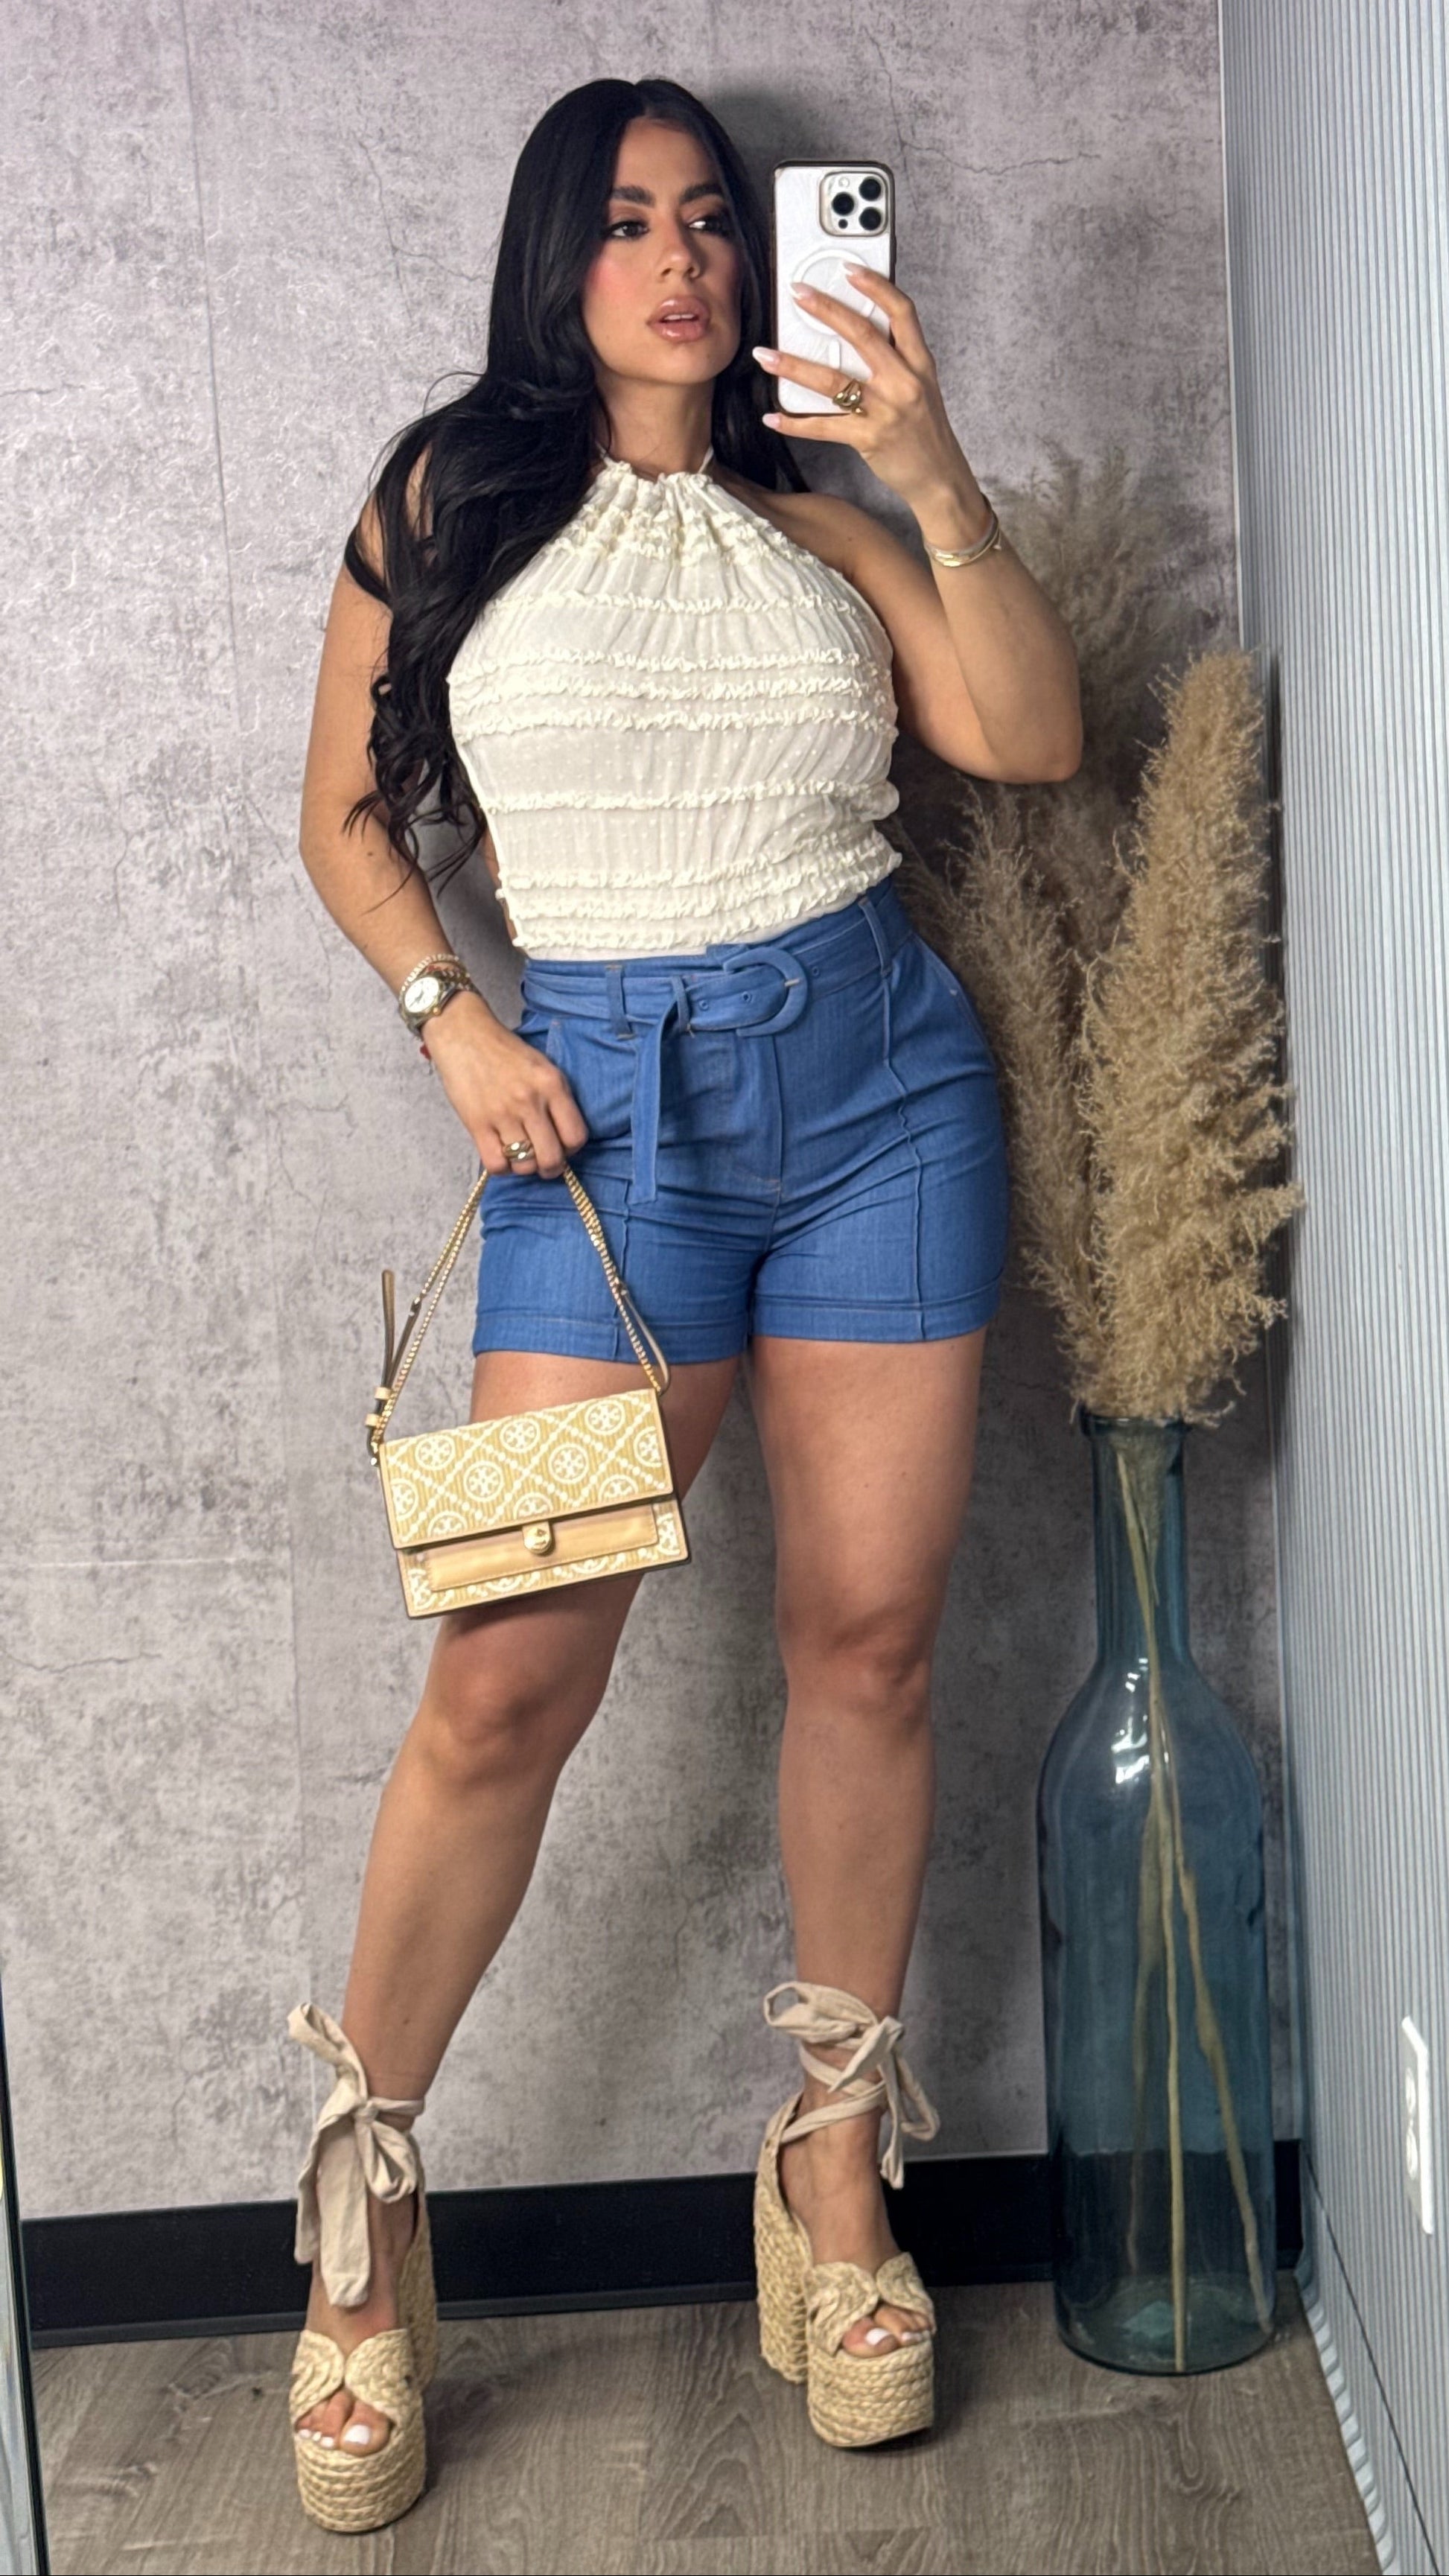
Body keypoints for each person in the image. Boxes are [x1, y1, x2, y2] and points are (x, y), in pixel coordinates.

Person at [288, 74, 1081, 2530]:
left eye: (713, 221)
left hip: (878, 1102)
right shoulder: (446, 500)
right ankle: (358, 2208)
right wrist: (458, 1023)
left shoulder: (828, 523)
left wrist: (927, 466)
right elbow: (338, 817)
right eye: (629, 220)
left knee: (869, 1639)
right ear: (560, 259)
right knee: (504, 1676)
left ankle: (833, 2172)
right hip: (598, 1145)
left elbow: (1029, 734)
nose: (681, 258)